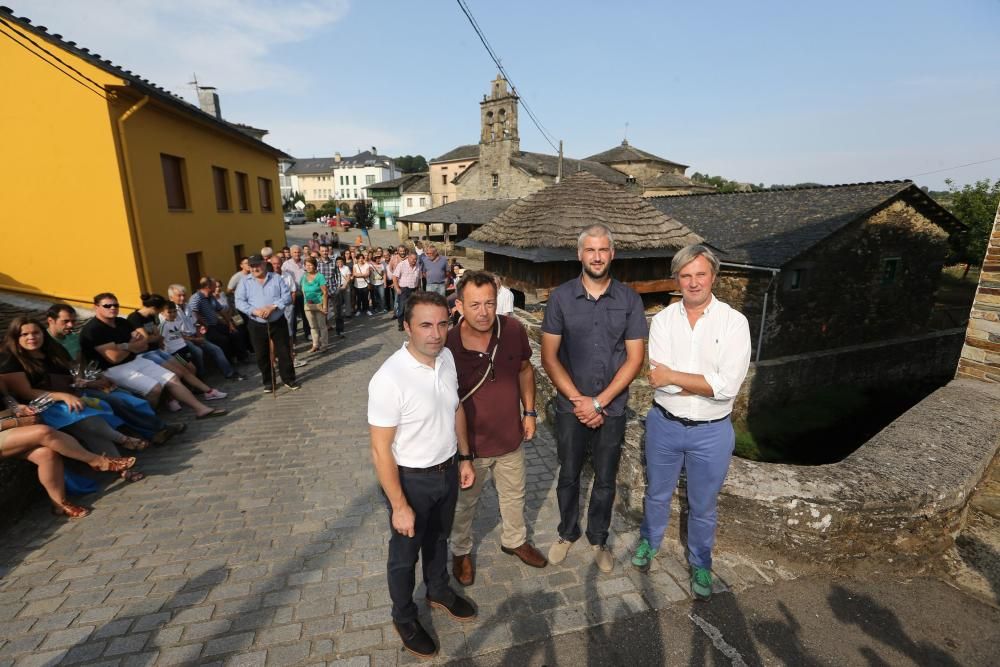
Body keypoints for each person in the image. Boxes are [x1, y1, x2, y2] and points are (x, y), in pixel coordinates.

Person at [630, 245, 751, 600]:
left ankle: (700, 561)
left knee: (703, 505)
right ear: (677, 279)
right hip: (664, 424)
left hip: (712, 432)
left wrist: (678, 378)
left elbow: (727, 386)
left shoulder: (734, 322)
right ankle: (649, 544)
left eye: (700, 274)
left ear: (714, 276)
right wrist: (702, 382)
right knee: (656, 494)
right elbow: (658, 379)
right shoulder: (663, 320)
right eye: (686, 275)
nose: (693, 282)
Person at [368, 291, 477, 658]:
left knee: (439, 539)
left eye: (443, 323)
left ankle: (438, 590)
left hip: (447, 471)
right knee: (404, 555)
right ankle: (404, 615)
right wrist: (399, 504)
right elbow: (380, 449)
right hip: (410, 480)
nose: (436, 333)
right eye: (425, 325)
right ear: (407, 327)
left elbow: (456, 407)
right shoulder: (389, 378)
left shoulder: (445, 357)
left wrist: (464, 457)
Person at [540, 224, 647, 574]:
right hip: (571, 408)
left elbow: (635, 360)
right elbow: (549, 357)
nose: (597, 256)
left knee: (604, 479)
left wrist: (599, 402)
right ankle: (566, 532)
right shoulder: (560, 298)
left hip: (612, 408)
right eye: (590, 250)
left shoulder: (630, 300)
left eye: (603, 250)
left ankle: (598, 537)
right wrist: (580, 401)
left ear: (612, 254)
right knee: (569, 474)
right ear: (579, 254)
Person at [447, 272, 546, 586]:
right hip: (470, 447)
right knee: (464, 505)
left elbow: (525, 370)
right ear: (460, 305)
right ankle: (460, 550)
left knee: (515, 496)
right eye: (474, 304)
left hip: (509, 437)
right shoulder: (447, 344)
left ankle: (514, 540)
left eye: (489, 303)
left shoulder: (513, 329)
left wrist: (529, 412)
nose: (483, 311)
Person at [1, 318, 147, 482]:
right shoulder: (10, 360)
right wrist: (64, 396)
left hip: (68, 399)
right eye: (24, 334)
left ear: (43, 333)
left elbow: (70, 374)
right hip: (41, 407)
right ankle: (123, 440)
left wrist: (79, 384)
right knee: (82, 417)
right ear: (16, 337)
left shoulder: (52, 350)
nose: (31, 337)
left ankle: (122, 467)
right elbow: (26, 393)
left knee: (89, 420)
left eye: (36, 332)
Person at [46, 304, 183, 445]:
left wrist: (98, 377)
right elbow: (58, 378)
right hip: (69, 390)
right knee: (117, 401)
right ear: (51, 320)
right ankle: (157, 430)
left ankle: (153, 432)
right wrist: (89, 383)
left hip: (86, 381)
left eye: (73, 321)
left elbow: (82, 364)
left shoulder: (73, 338)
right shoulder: (47, 345)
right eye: (66, 321)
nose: (71, 325)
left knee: (130, 397)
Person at [0, 380, 136, 518]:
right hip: (4, 428)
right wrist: (16, 422)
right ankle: (98, 461)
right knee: (44, 432)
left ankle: (60, 505)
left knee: (47, 454)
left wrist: (17, 408)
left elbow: (6, 398)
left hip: (9, 428)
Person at [79, 293, 226, 419]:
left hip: (137, 359)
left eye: (115, 305)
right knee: (155, 389)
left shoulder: (122, 322)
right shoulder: (94, 329)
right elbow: (114, 358)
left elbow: (144, 344)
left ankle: (201, 409)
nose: (113, 308)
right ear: (96, 307)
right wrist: (131, 345)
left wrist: (123, 346)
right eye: (107, 306)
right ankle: (148, 419)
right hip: (112, 369)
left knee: (173, 378)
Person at [236, 255, 300, 392]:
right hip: (256, 323)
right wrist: (254, 311)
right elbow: (239, 302)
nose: (254, 268)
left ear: (264, 264)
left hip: (277, 321)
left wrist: (273, 306)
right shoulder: (244, 282)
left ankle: (288, 378)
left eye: (257, 265)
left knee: (283, 351)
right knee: (261, 354)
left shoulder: (276, 278)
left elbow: (287, 297)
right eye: (251, 266)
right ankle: (269, 381)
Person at [165, 285, 243, 381]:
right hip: (183, 340)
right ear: (171, 298)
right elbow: (174, 334)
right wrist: (194, 339)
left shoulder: (187, 306)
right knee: (198, 352)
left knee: (216, 349)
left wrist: (200, 334)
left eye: (184, 295)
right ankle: (200, 378)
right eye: (179, 296)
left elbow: (195, 323)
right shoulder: (169, 312)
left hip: (195, 336)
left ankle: (229, 373)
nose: (183, 298)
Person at [300, 256, 329, 353]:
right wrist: (305, 300)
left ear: (315, 266)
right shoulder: (304, 276)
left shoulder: (320, 276)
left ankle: (324, 345)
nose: (308, 267)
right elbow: (302, 289)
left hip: (319, 304)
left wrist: (325, 306)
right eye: (306, 265)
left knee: (322, 326)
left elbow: (325, 292)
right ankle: (315, 345)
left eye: (310, 265)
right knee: (312, 327)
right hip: (307, 305)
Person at [282, 245, 310, 344]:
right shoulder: (286, 265)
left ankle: (308, 333)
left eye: (298, 252)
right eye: (295, 252)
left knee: (306, 314)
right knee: (292, 315)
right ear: (290, 253)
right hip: (292, 293)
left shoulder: (305, 262)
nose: (297, 254)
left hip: (304, 292)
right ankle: (293, 337)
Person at [392, 250, 421, 332]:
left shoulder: (418, 265)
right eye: (412, 259)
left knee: (412, 309)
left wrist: (418, 287)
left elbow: (418, 278)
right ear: (408, 257)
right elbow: (394, 277)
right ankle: (400, 325)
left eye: (415, 259)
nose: (414, 261)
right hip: (404, 289)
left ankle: (410, 324)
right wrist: (397, 288)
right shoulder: (402, 265)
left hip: (414, 289)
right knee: (402, 309)